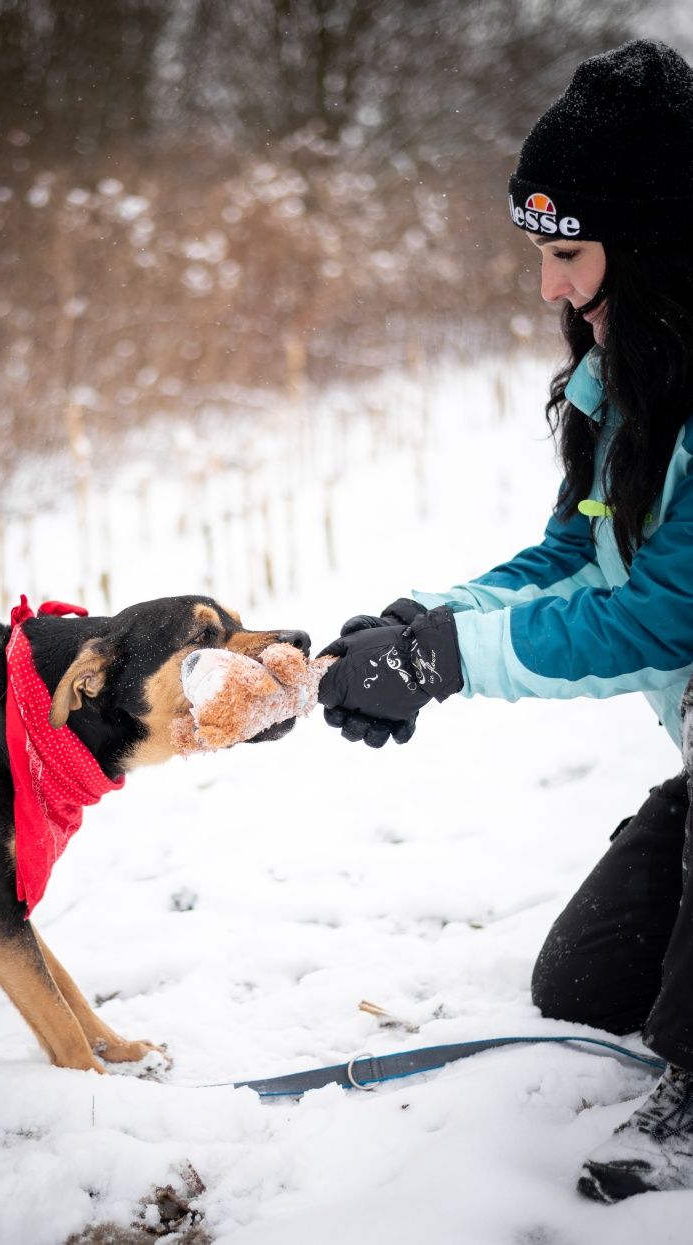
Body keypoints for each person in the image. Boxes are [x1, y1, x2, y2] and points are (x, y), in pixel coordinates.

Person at [317, 39, 693, 1204]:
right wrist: (429, 622)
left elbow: (656, 616)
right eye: (540, 251)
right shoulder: (633, 383)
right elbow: (573, 554)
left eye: (570, 253)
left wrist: (447, 664)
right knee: (584, 986)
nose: (548, 288)